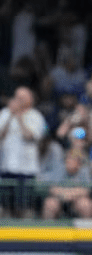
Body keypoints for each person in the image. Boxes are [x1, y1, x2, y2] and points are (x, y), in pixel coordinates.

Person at [0, 86, 45, 218]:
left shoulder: (36, 116)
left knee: (23, 207)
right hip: (6, 166)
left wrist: (19, 118)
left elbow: (29, 136)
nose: (17, 100)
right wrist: (10, 116)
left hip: (26, 170)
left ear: (29, 100)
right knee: (5, 207)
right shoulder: (4, 113)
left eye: (21, 98)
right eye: (16, 97)